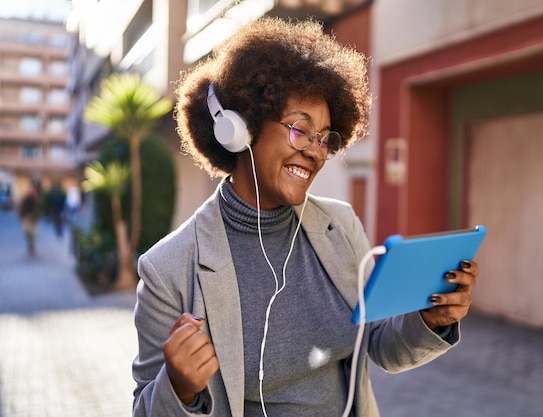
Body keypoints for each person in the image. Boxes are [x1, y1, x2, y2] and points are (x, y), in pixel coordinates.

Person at [132, 17, 479, 417]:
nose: (316, 152)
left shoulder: (341, 227)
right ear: (241, 127)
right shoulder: (167, 269)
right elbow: (145, 409)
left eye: (325, 138)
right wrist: (180, 388)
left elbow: (380, 345)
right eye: (300, 130)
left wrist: (429, 320)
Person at [18, 183, 41, 256]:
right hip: (27, 217)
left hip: (34, 218)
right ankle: (30, 242)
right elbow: (21, 207)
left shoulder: (37, 199)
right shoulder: (26, 198)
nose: (33, 191)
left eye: (34, 190)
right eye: (32, 190)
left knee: (33, 233)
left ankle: (32, 245)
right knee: (26, 231)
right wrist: (21, 216)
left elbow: (39, 208)